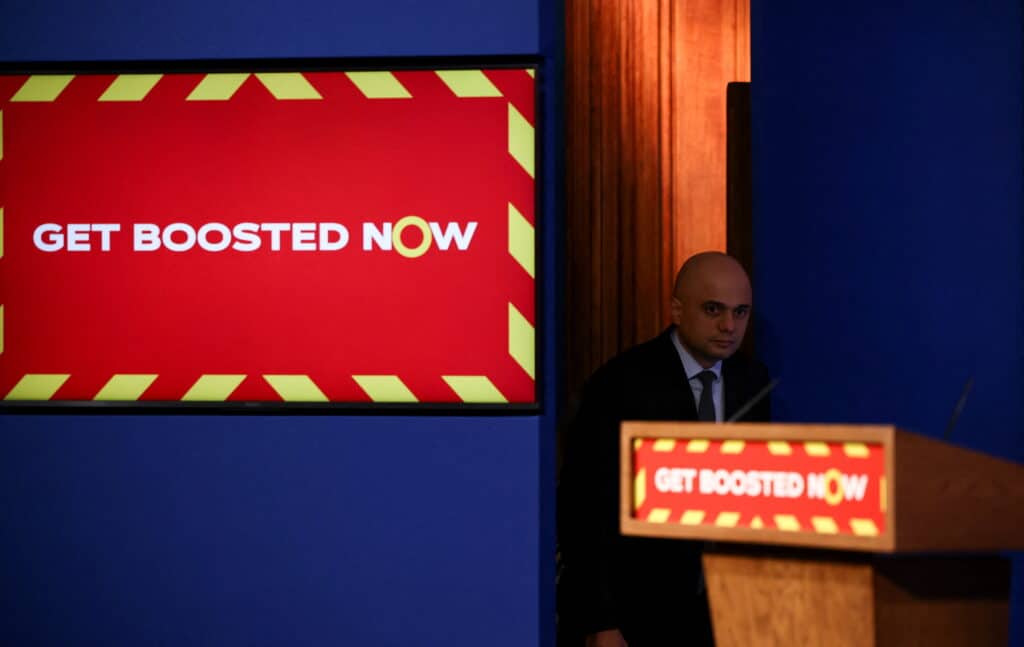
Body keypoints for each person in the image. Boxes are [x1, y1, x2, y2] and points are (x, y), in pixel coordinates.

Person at [557, 252, 772, 647]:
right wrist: (601, 621)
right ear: (677, 310)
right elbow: (585, 510)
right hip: (640, 612)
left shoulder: (754, 381)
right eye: (714, 310)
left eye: (740, 312)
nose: (729, 326)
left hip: (727, 612)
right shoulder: (621, 383)